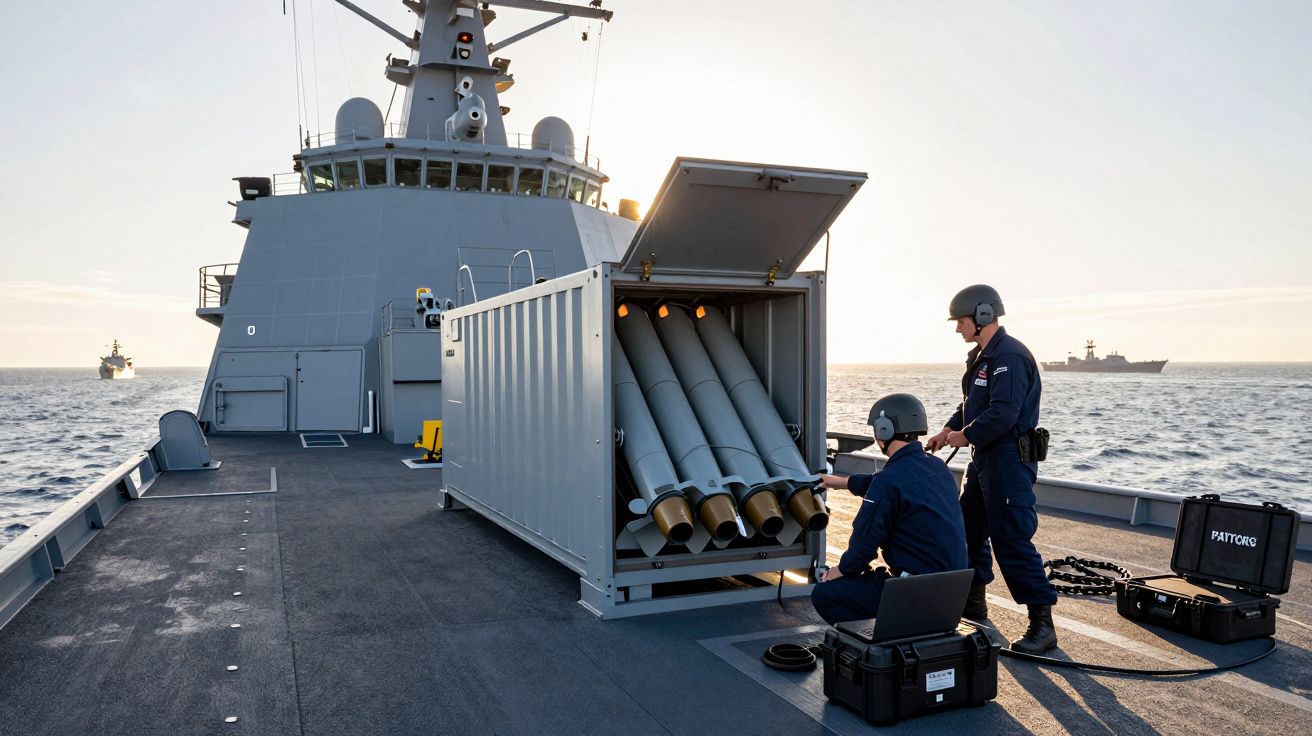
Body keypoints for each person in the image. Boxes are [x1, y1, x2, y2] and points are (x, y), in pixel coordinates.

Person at [926, 284, 1058, 654]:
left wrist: (964, 436)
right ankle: (974, 602)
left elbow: (1004, 413)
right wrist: (948, 431)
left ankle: (1042, 623)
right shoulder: (984, 356)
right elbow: (972, 404)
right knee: (967, 529)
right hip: (984, 460)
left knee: (1011, 538)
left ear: (982, 316)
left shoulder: (1010, 357)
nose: (957, 329)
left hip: (1008, 462)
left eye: (960, 321)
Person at [811, 393, 969, 626]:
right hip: (951, 593)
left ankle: (881, 645)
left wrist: (841, 570)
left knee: (825, 594)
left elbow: (864, 545)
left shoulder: (889, 482)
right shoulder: (938, 468)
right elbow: (883, 483)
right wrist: (840, 482)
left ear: (883, 429)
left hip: (913, 594)